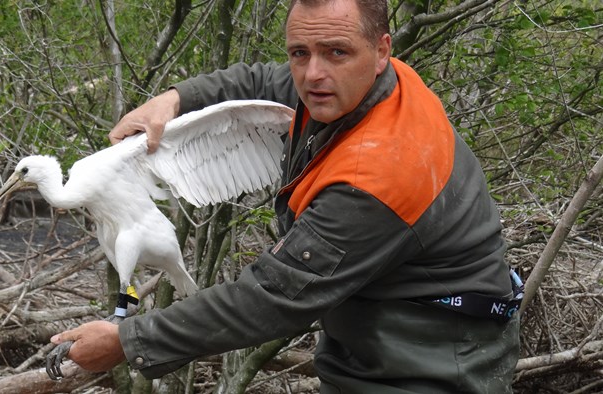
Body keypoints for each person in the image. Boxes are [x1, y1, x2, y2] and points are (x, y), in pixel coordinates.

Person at [51, 0, 521, 392]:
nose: (312, 73)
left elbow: (273, 297)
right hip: (376, 337)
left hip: (430, 365)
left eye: (336, 51)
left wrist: (128, 340)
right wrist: (174, 99)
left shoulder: (377, 178)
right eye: (300, 52)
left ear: (381, 51)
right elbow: (259, 82)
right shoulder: (356, 86)